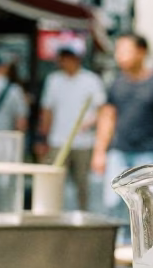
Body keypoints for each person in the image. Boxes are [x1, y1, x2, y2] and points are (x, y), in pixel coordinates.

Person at [91, 33, 153, 215]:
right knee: (113, 202)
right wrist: (99, 152)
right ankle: (118, 242)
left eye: (125, 51)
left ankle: (140, 242)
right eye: (118, 51)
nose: (119, 56)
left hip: (148, 153)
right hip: (118, 152)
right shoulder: (115, 83)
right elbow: (107, 118)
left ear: (141, 52)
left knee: (146, 204)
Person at [36, 39, 106, 210]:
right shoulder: (53, 80)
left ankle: (83, 214)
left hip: (83, 141)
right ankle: (52, 213)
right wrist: (42, 138)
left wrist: (90, 122)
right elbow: (47, 111)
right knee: (53, 182)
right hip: (57, 140)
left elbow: (102, 110)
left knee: (82, 183)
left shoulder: (91, 80)